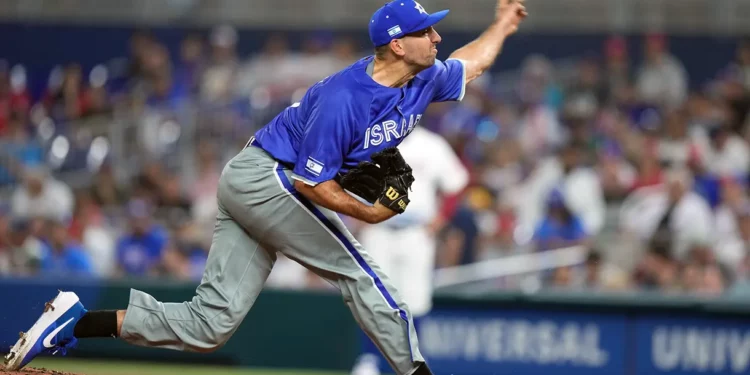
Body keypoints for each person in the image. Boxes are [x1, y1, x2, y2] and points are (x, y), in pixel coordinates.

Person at [4, 1, 527, 374]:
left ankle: (76, 321)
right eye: (427, 31)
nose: (436, 39)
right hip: (268, 178)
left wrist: (502, 25)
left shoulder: (424, 78)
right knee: (358, 270)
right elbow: (310, 182)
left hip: (258, 184)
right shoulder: (346, 98)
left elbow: (473, 61)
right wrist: (367, 215)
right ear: (397, 43)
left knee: (209, 326)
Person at [350, 126, 469, 375]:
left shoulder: (431, 144)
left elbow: (457, 183)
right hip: (378, 229)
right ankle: (369, 360)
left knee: (415, 299)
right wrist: (355, 212)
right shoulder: (372, 137)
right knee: (373, 298)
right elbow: (346, 178)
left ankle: (412, 362)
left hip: (417, 231)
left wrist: (441, 219)